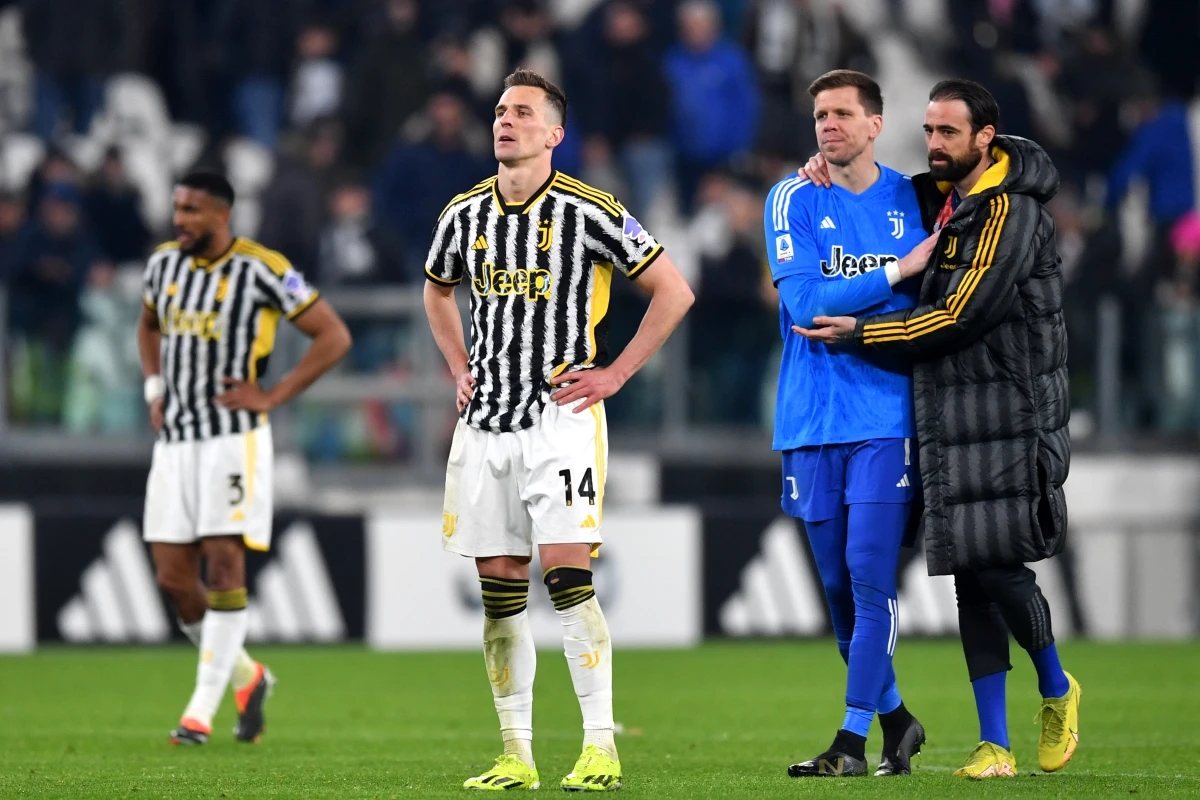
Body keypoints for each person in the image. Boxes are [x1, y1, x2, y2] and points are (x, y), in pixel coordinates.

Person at [795, 79, 1079, 779]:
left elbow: (961, 316)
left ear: (987, 136)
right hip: (950, 410)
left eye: (949, 133)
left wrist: (862, 334)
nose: (935, 146)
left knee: (996, 566)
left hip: (1012, 412)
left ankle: (1056, 684)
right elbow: (879, 191)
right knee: (967, 573)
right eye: (928, 132)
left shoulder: (1012, 215)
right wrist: (825, 173)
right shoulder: (942, 199)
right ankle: (995, 744)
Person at [424, 68, 694, 792]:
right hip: (484, 427)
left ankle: (600, 747)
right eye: (499, 111)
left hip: (560, 419)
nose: (503, 122)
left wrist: (616, 373)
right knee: (500, 591)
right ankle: (517, 753)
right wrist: (457, 363)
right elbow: (436, 288)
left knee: (568, 578)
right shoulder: (463, 214)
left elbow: (674, 290)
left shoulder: (592, 210)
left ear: (554, 133)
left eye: (521, 113)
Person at [137, 171, 352, 746]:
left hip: (234, 438)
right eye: (176, 206)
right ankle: (247, 676)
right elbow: (148, 326)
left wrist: (274, 395)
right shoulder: (162, 265)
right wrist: (155, 387)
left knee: (224, 565)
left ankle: (199, 711)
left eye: (191, 210)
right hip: (175, 443)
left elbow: (332, 335)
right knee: (173, 580)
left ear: (221, 215)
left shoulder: (263, 268)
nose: (179, 218)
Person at [765, 69, 935, 779]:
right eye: (819, 116)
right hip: (810, 419)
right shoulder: (792, 196)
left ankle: (852, 742)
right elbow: (806, 307)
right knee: (837, 593)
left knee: (870, 577)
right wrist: (897, 274)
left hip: (886, 416)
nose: (828, 126)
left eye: (842, 114)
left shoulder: (915, 200)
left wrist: (886, 285)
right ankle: (899, 721)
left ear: (875, 124)